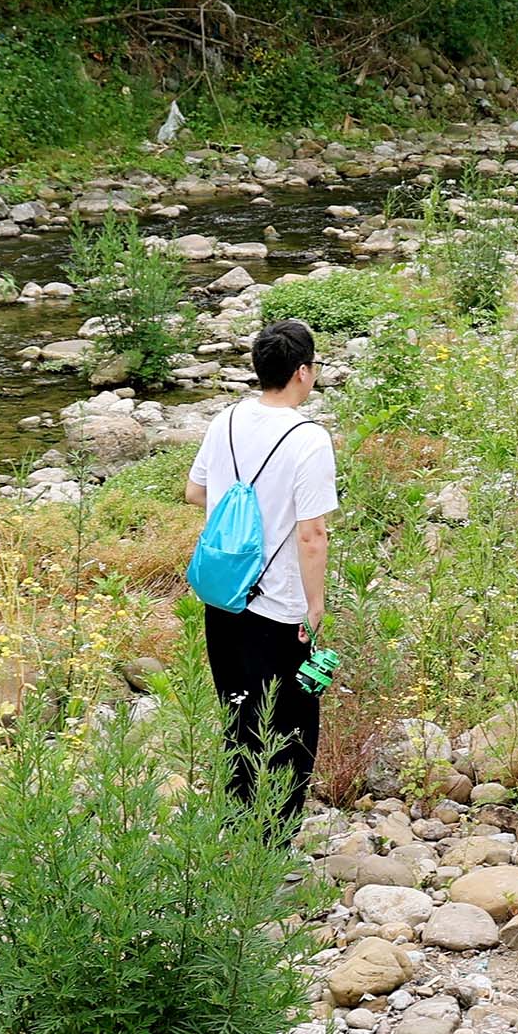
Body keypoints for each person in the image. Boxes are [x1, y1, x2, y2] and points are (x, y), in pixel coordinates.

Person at [187, 318, 343, 823]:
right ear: (302, 371)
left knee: (238, 712)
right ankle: (273, 845)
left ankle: (237, 823)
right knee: (291, 723)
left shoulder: (225, 420)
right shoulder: (308, 438)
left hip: (224, 594)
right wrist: (314, 607)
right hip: (277, 606)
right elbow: (311, 533)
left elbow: (195, 493)